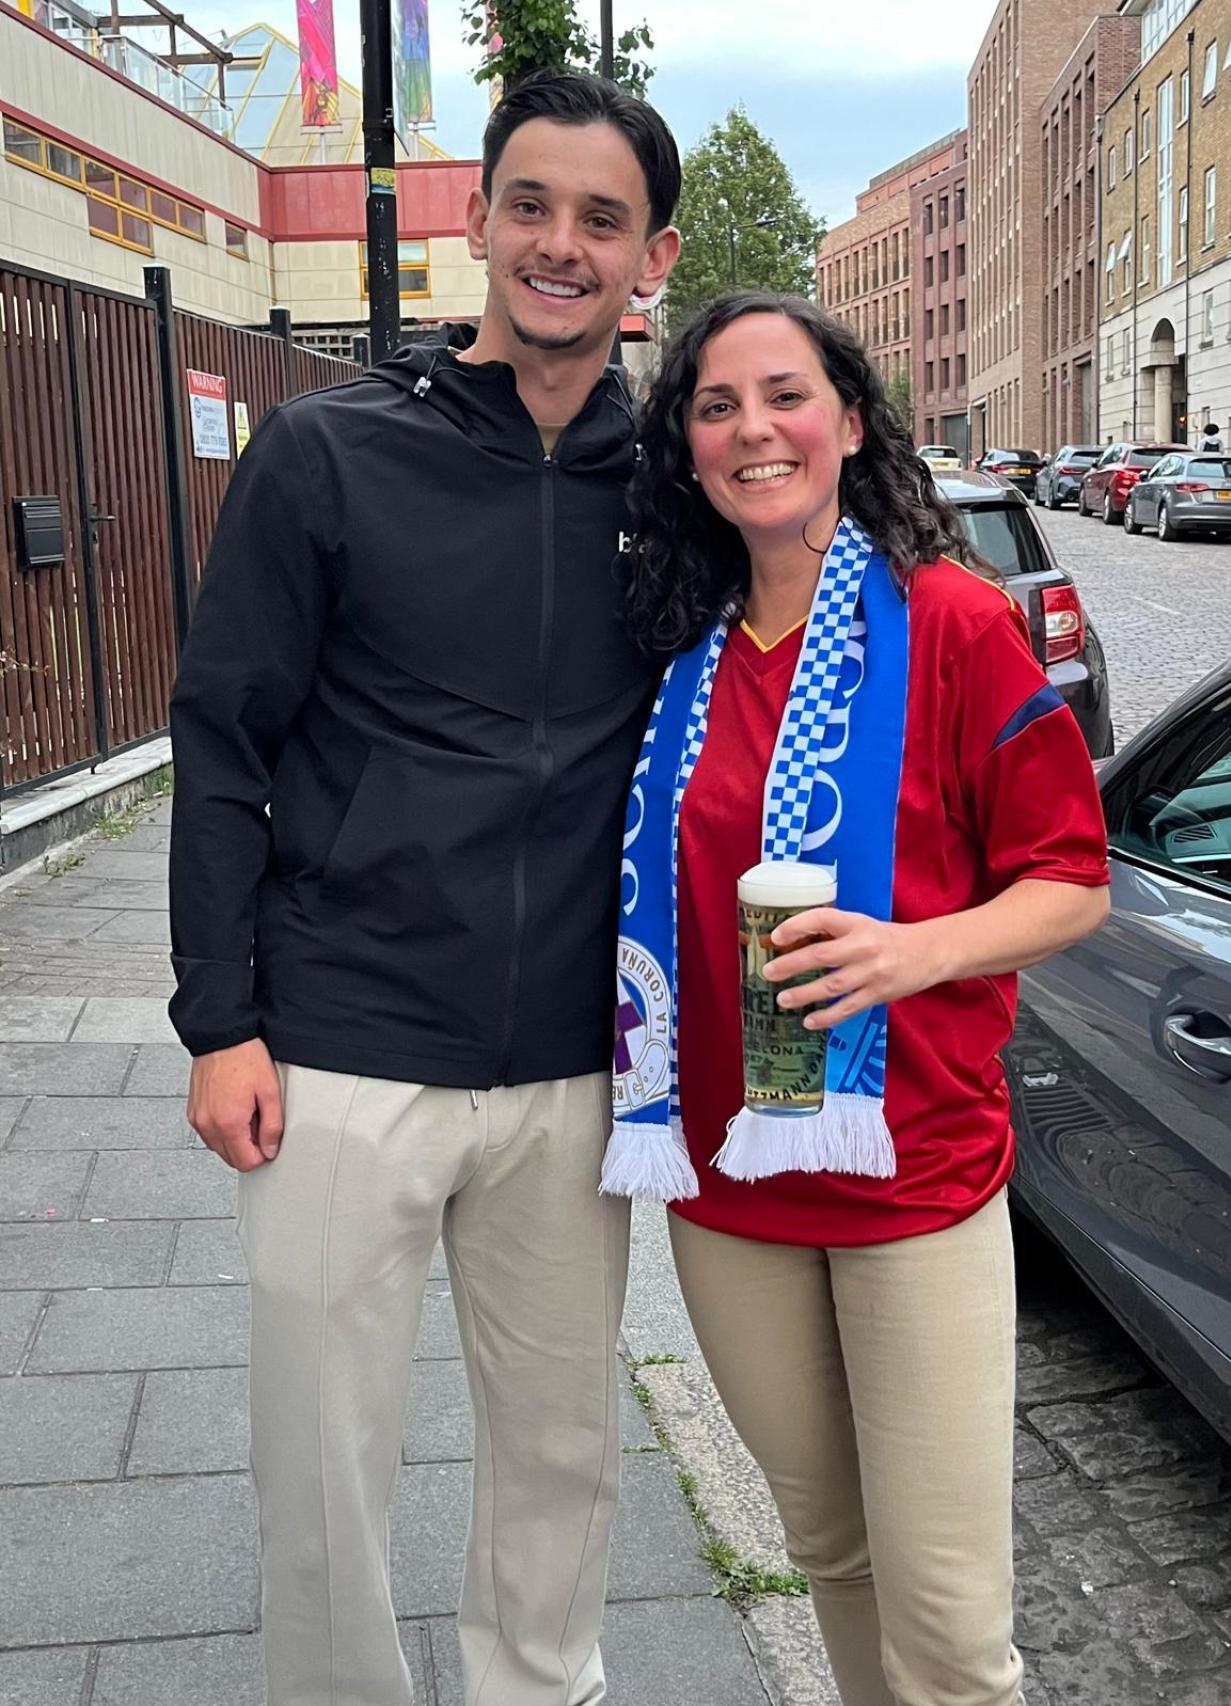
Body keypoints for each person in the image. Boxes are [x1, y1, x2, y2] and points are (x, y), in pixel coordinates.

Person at [168, 71, 680, 1706]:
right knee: (321, 1463)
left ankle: (543, 1687)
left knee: (564, 1450)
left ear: (652, 256)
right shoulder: (327, 453)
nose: (560, 244)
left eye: (601, 218)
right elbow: (223, 739)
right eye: (531, 204)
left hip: (572, 1064)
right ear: (477, 219)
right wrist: (219, 1021)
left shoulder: (673, 493)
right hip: (341, 1043)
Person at [600, 293, 1110, 1706]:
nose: (753, 429)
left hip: (915, 1176)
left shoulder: (951, 621)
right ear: (686, 444)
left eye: (786, 395)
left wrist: (912, 951)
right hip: (727, 1186)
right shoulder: (678, 647)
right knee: (830, 1552)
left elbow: (1072, 880)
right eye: (715, 406)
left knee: (949, 1633)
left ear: (851, 421)